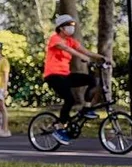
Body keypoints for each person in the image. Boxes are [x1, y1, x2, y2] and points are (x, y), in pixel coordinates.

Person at [43, 15, 110, 144]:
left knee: (92, 80)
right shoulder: (55, 39)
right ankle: (59, 128)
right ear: (61, 28)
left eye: (73, 25)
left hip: (66, 75)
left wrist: (103, 58)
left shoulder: (70, 40)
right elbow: (66, 49)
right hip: (53, 75)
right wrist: (80, 56)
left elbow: (86, 51)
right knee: (70, 99)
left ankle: (86, 108)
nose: (71, 27)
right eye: (69, 25)